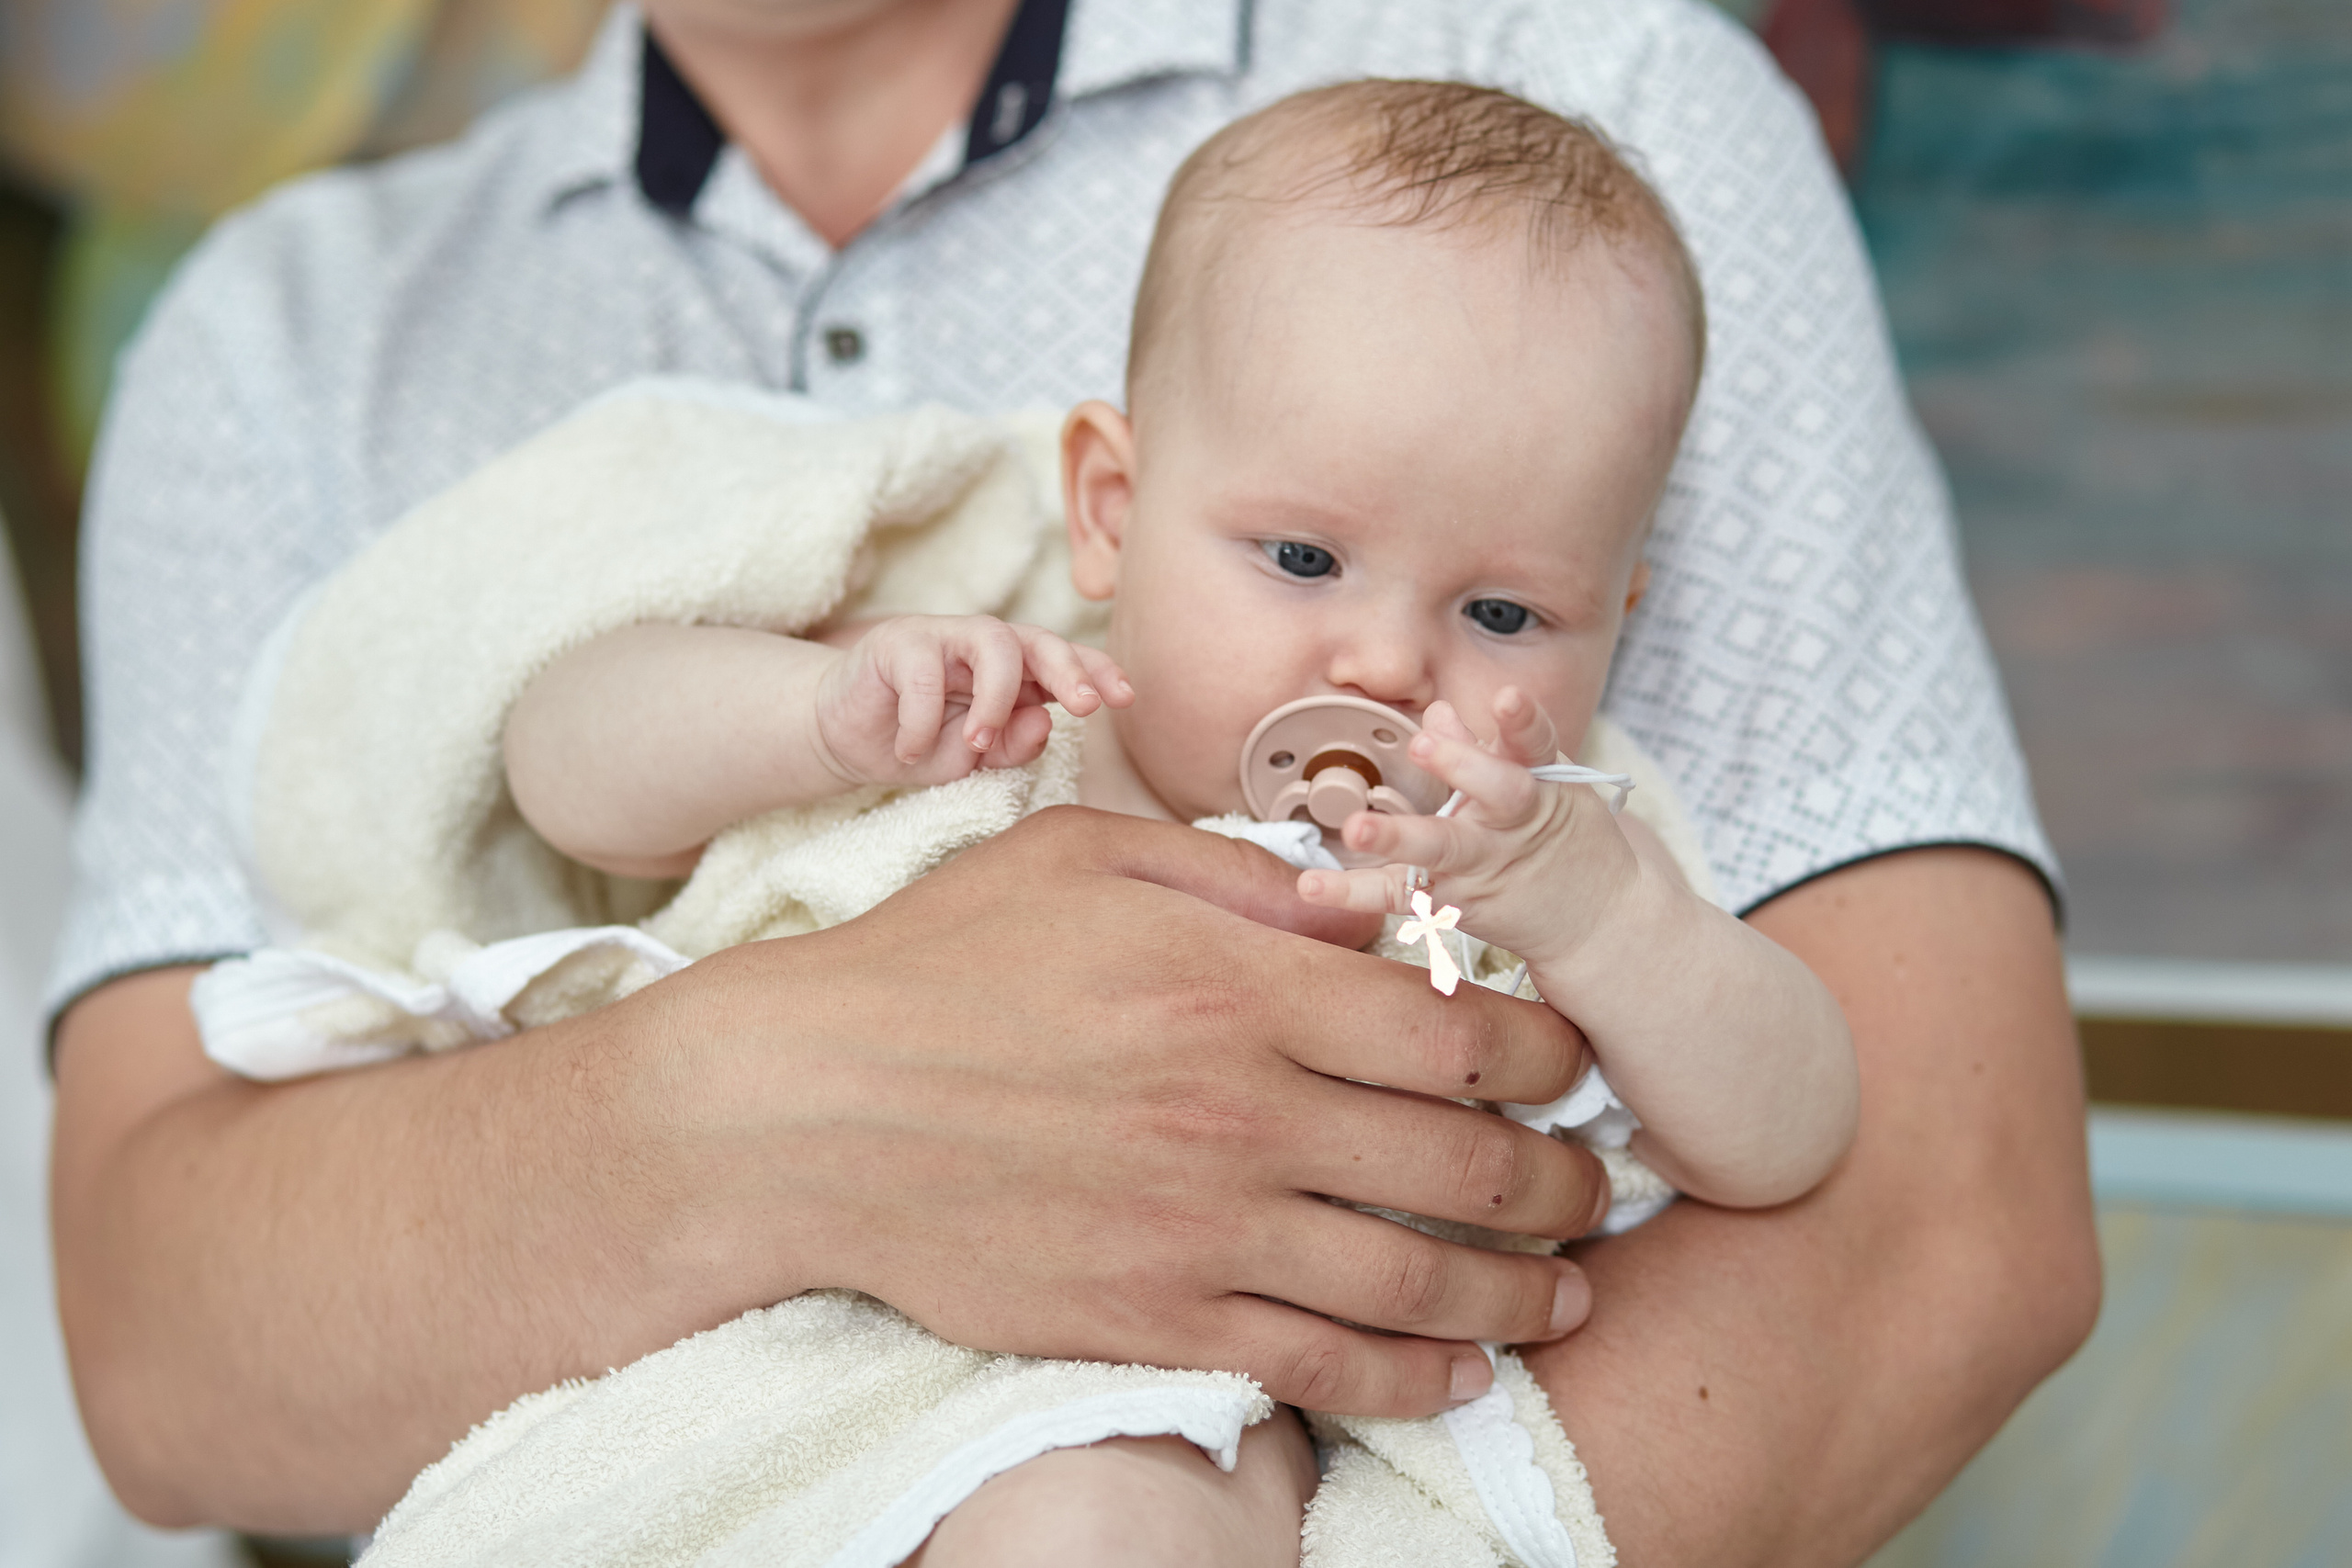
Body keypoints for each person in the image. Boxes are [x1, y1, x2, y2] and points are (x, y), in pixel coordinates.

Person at [46, 0, 2099, 1559]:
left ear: (1602, 614)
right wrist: (818, 764)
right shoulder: (290, 340)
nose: (1384, 663)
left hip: (1161, 1438)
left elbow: (1909, 1193)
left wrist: (1604, 906)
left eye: (1501, 615)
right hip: (753, 1402)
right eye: (1297, 557)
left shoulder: (1580, 110)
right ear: (1105, 505)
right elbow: (551, 771)